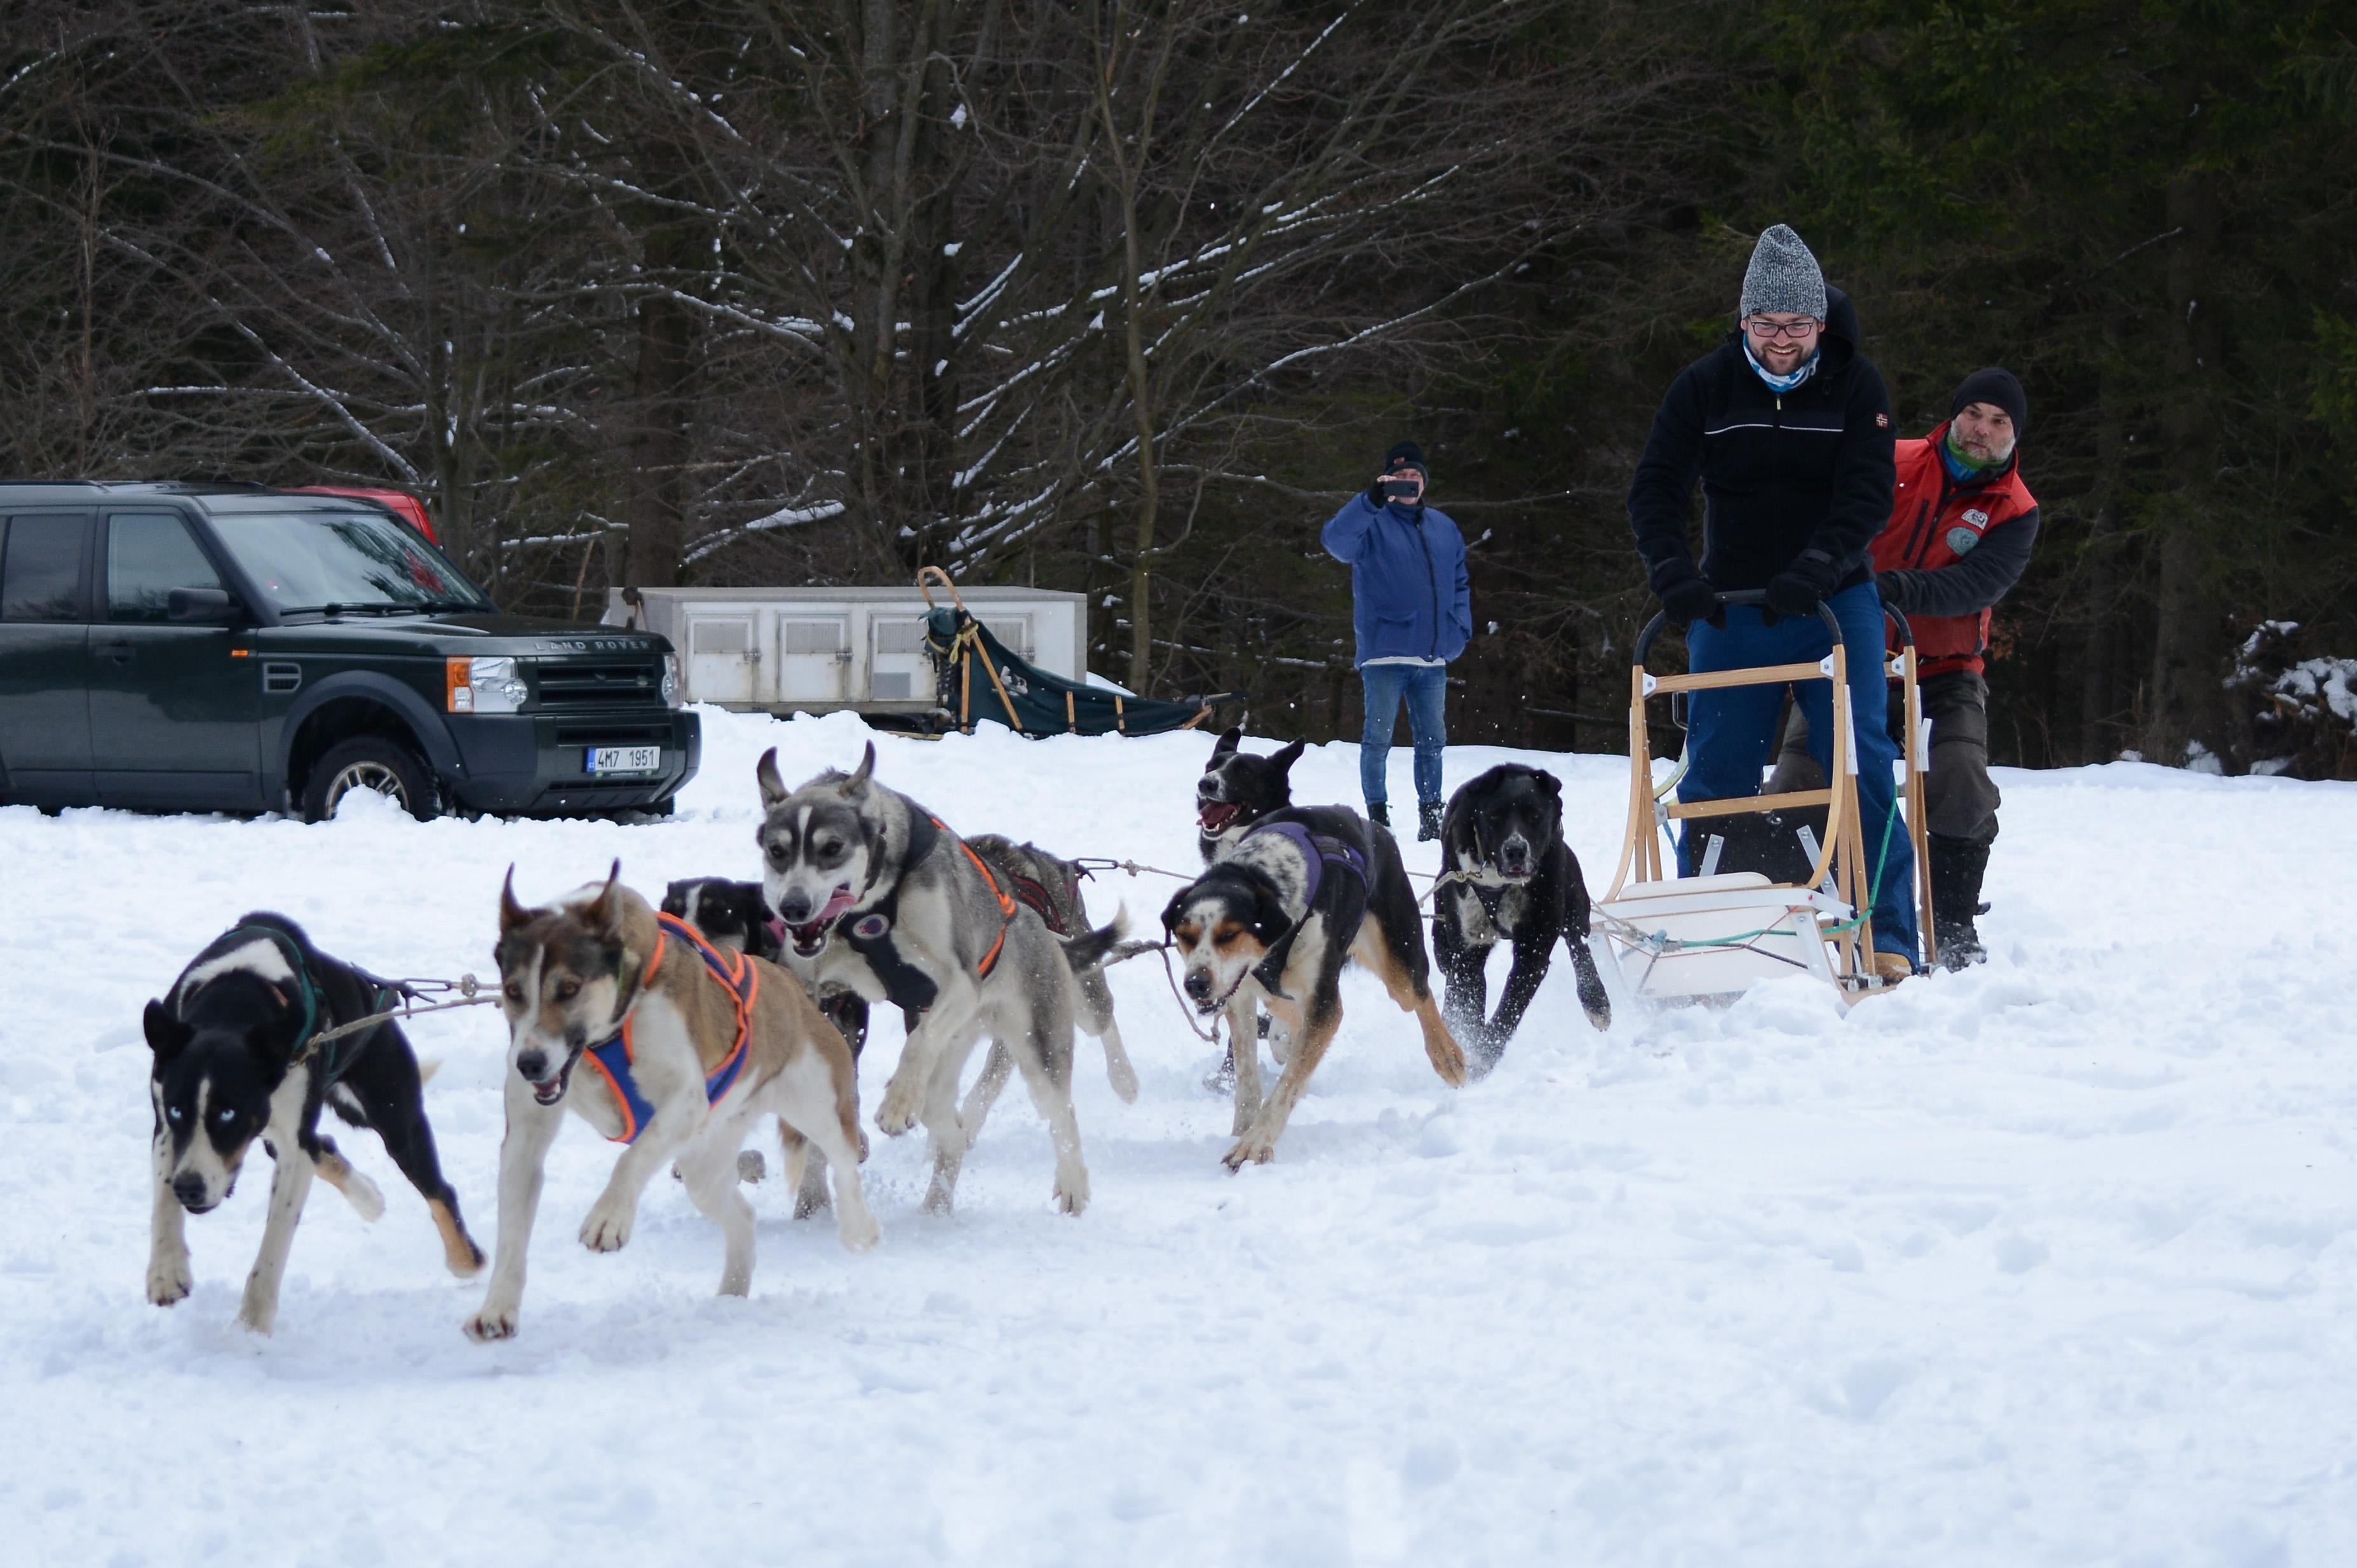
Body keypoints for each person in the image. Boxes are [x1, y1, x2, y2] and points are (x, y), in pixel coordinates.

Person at [1626, 223, 1920, 979]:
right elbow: (1655, 486)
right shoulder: (1705, 386)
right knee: (1714, 772)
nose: (1780, 341)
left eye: (1795, 325)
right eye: (1765, 324)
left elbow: (1865, 494)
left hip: (1833, 601)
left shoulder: (1855, 384)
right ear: (1743, 321)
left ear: (1820, 323)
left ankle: (1886, 932)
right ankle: (1704, 929)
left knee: (1859, 758)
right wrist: (1674, 575)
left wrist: (1819, 564)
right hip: (1734, 603)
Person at [1766, 368, 2037, 968]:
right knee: (1797, 780)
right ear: (1954, 415)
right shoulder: (1891, 460)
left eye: (1999, 423)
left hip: (1943, 670)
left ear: (2015, 438)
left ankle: (1952, 919)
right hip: (1847, 656)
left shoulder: (2016, 511)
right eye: (1975, 415)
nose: (1982, 431)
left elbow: (1973, 586)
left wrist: (1878, 587)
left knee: (1962, 778)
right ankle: (1795, 912)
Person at [1322, 440, 1471, 842]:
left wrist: (1459, 632)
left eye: (1415, 477)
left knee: (1432, 742)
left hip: (1433, 656)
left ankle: (1431, 813)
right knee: (1378, 740)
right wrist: (1369, 500)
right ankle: (1377, 817)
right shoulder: (1370, 521)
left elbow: (1460, 583)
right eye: (1401, 477)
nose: (1409, 483)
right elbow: (1335, 542)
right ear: (1387, 481)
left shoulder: (1444, 527)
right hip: (1384, 652)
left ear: (1425, 482)